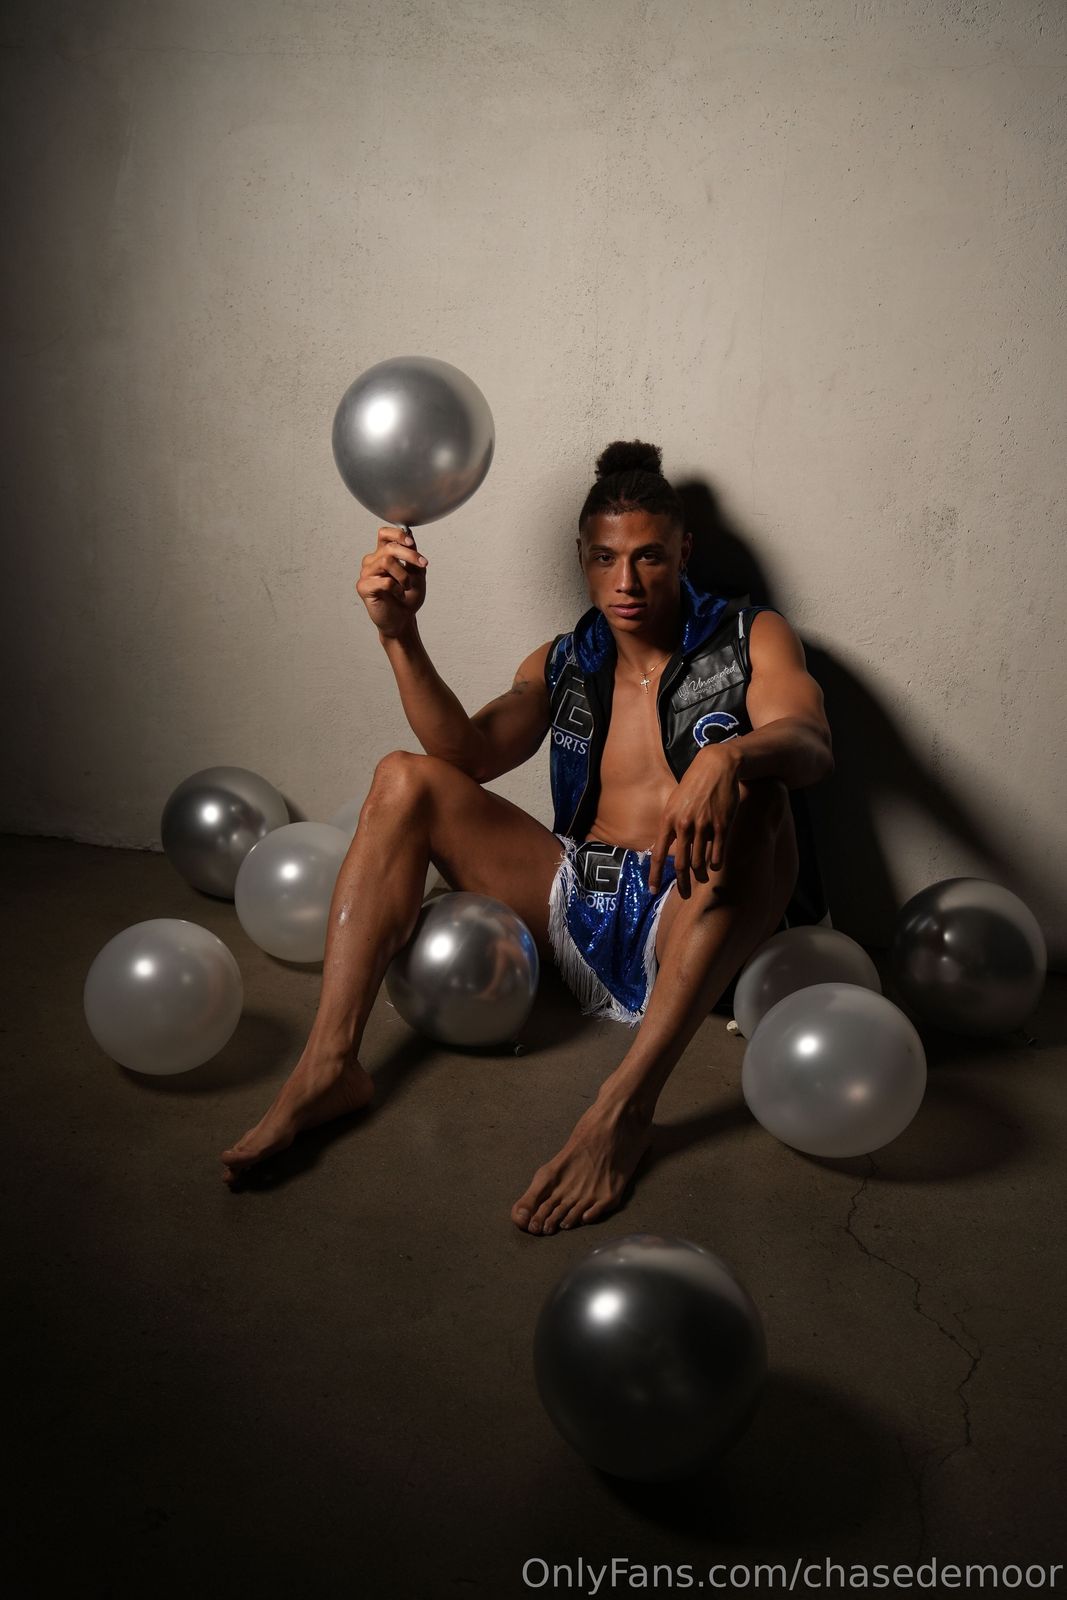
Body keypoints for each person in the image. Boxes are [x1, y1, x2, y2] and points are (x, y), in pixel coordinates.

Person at [221, 440, 834, 1234]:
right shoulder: (563, 661)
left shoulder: (752, 636)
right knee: (404, 777)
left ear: (683, 552)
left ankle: (623, 1108)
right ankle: (328, 1065)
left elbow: (810, 743)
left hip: (694, 917)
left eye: (648, 557)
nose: (625, 582)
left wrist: (728, 756)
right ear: (581, 558)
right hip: (577, 898)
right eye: (605, 558)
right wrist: (399, 636)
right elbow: (467, 757)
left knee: (759, 796)